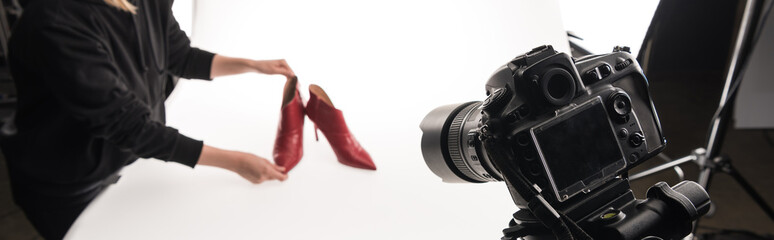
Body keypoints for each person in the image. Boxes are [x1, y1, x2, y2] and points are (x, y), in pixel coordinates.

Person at [1, 0, 289, 238]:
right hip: (68, 180)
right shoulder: (56, 21)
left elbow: (180, 57)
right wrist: (236, 162)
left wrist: (252, 66)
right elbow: (128, 126)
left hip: (127, 160)